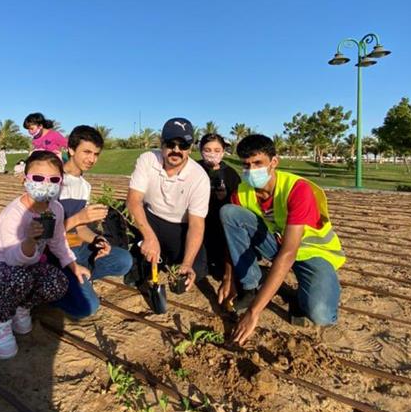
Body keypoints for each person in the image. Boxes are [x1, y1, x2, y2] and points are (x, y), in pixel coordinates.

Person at [219, 134, 345, 345]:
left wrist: (253, 312)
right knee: (229, 212)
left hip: (311, 252)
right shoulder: (242, 192)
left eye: (258, 163)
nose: (251, 170)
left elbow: (289, 253)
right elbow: (231, 236)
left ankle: (311, 286)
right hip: (276, 245)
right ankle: (250, 286)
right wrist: (228, 278)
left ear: (274, 162)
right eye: (246, 165)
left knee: (321, 315)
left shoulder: (297, 189)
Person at [0, 150, 92, 359]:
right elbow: (11, 259)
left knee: (58, 282)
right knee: (20, 277)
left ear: (61, 182)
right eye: (38, 178)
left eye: (53, 179)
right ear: (25, 180)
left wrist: (73, 265)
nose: (45, 184)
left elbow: (58, 242)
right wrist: (29, 240)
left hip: (25, 270)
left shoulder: (55, 209)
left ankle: (21, 306)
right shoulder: (14, 213)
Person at [126, 118, 210, 298]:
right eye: (171, 144)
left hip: (179, 225)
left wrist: (187, 263)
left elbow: (196, 224)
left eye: (184, 145)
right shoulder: (148, 159)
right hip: (151, 217)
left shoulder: (200, 177)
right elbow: (133, 201)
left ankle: (164, 254)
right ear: (162, 143)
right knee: (139, 264)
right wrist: (149, 237)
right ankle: (140, 254)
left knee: (197, 269)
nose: (177, 150)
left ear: (191, 148)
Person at [58, 125, 133, 283]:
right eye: (87, 152)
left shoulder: (85, 186)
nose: (92, 159)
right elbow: (43, 234)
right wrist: (79, 217)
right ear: (71, 150)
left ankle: (78, 277)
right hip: (56, 251)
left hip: (77, 247)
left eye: (96, 154)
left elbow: (81, 229)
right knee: (90, 306)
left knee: (123, 260)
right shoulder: (54, 181)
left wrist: (98, 240)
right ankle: (71, 278)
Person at [197, 133, 240, 280]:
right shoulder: (193, 169)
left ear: (223, 152)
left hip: (221, 227)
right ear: (201, 150)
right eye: (207, 150)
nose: (212, 154)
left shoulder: (231, 174)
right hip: (197, 223)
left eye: (217, 150)